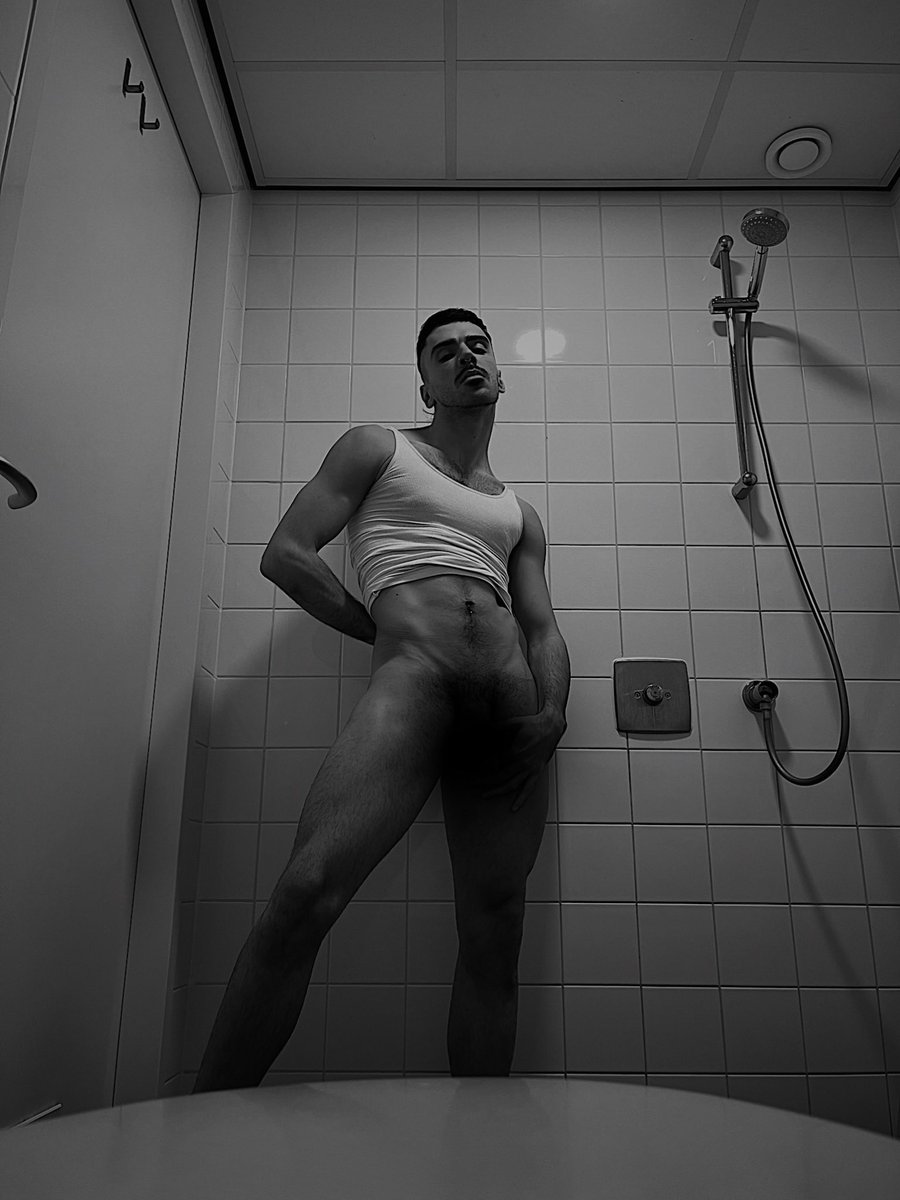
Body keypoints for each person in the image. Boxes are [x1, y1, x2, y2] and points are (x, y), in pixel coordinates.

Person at [193, 308, 571, 1091]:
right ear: (425, 385)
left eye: (477, 345)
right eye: (445, 351)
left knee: (496, 930)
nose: (466, 356)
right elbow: (286, 555)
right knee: (305, 891)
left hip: (511, 714)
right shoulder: (380, 447)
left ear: (498, 372)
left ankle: (480, 1135)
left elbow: (542, 628)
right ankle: (201, 1118)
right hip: (413, 687)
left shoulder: (518, 513)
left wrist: (553, 716)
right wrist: (385, 634)